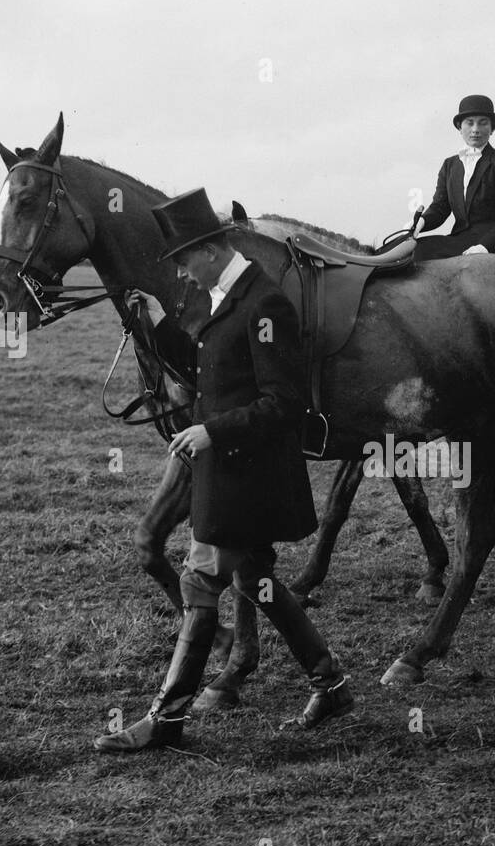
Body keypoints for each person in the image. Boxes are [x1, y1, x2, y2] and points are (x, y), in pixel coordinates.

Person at [95, 187, 351, 753]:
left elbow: (283, 402)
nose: (182, 274)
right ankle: (328, 682)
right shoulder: (227, 299)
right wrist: (161, 324)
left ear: (208, 251)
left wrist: (212, 431)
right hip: (233, 469)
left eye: (184, 261)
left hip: (247, 474)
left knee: (199, 580)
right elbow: (214, 374)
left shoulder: (265, 306)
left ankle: (166, 719)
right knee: (255, 581)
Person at [412, 94, 495, 267]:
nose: (475, 129)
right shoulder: (450, 165)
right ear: (460, 128)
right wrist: (418, 224)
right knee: (416, 250)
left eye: (483, 123)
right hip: (461, 240)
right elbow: (440, 208)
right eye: (469, 122)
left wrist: (485, 247)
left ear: (492, 129)